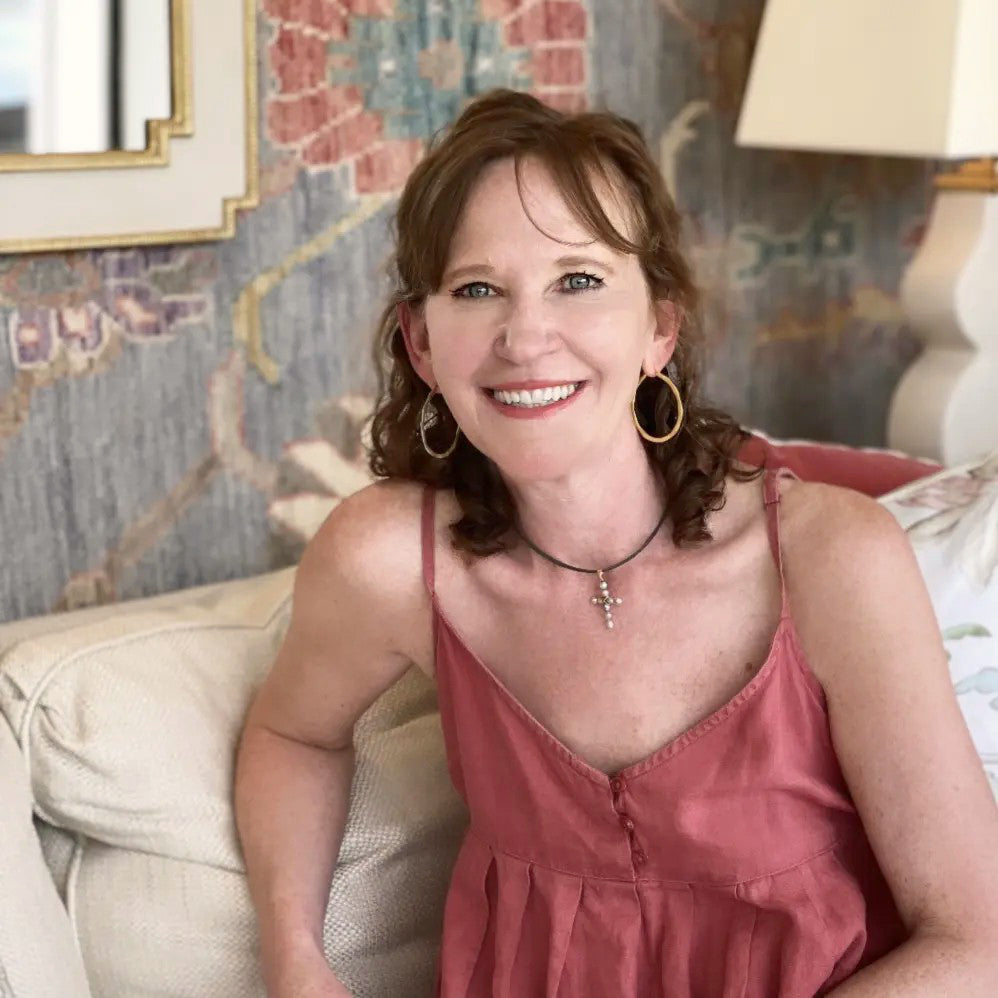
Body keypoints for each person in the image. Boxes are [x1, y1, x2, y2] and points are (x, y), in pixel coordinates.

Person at [234, 90, 998, 997]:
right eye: (476, 289)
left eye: (579, 280)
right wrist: (296, 959)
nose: (525, 338)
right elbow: (291, 734)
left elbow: (976, 942)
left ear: (659, 328)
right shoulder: (388, 564)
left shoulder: (833, 559)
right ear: (423, 344)